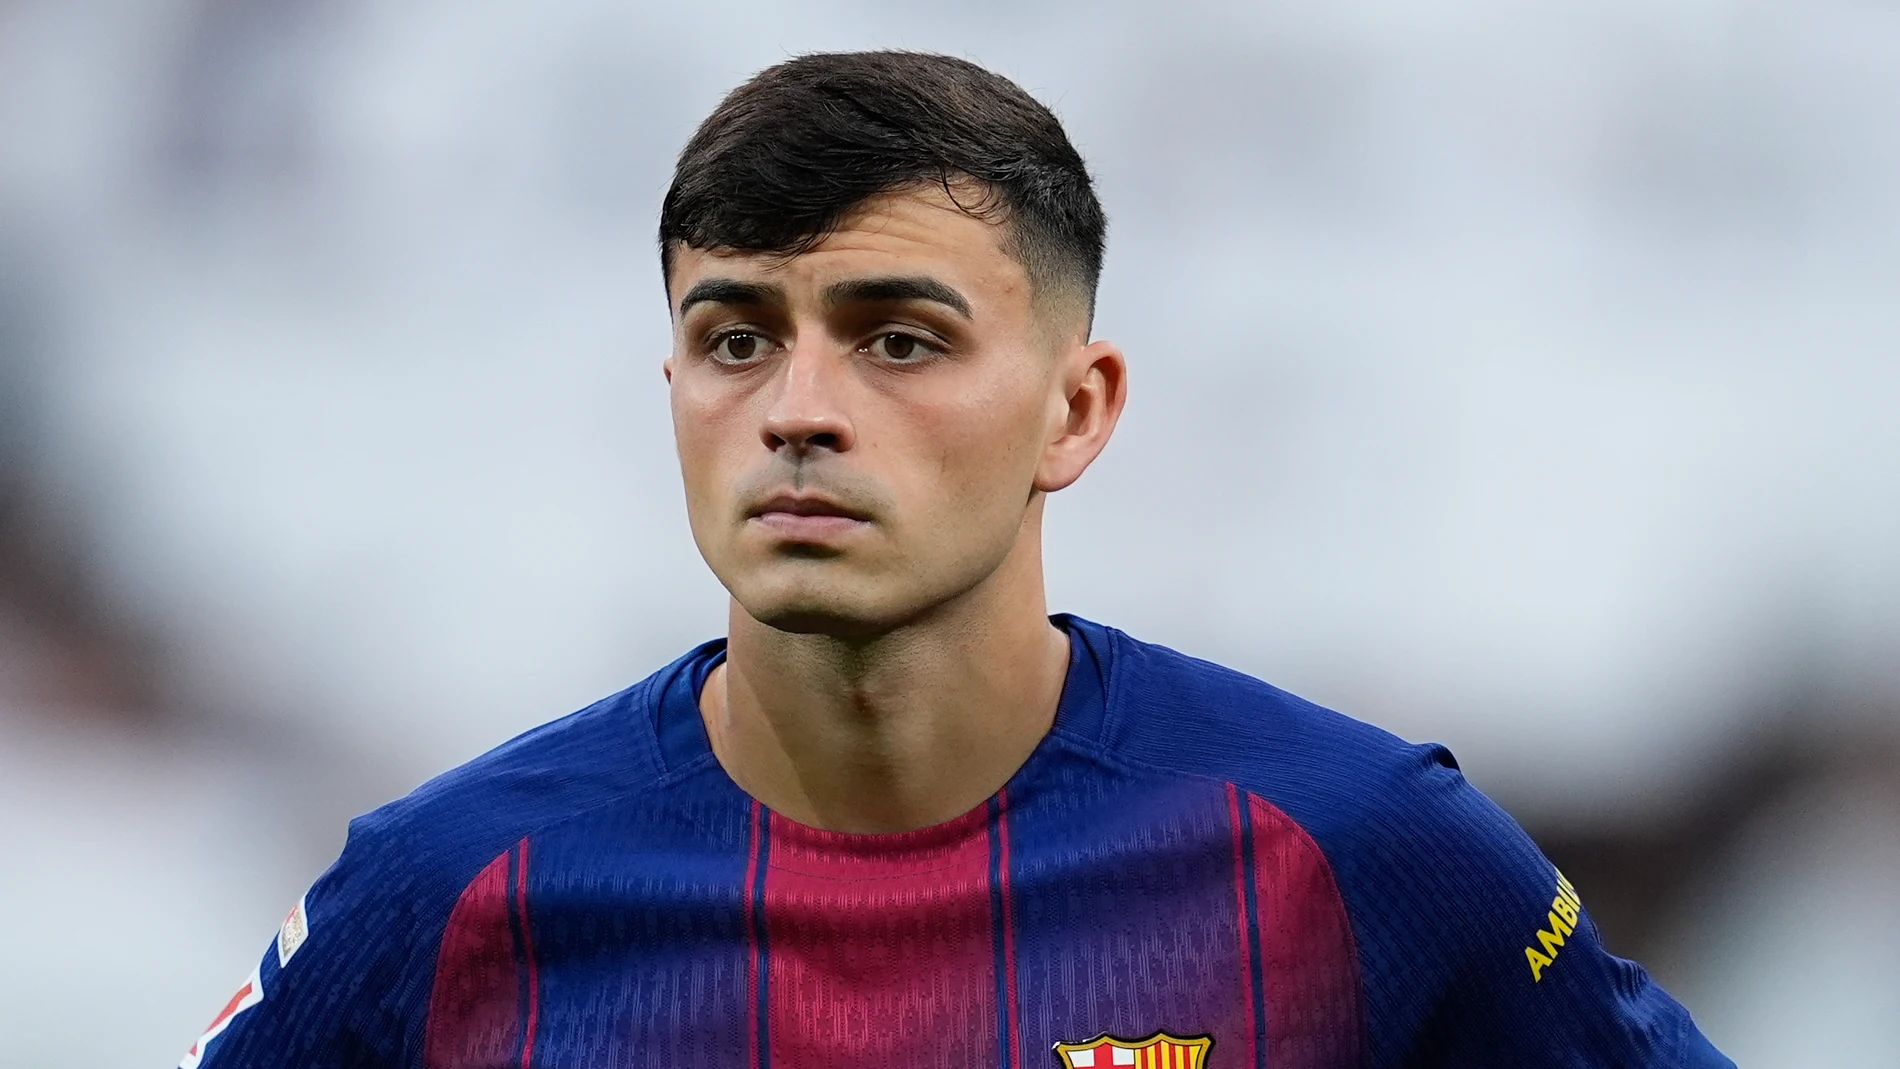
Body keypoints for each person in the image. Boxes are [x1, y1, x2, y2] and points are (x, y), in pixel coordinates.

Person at [180, 51, 1733, 1069]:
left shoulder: (1358, 852)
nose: (798, 412)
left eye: (898, 341)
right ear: (674, 391)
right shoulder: (446, 892)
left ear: (1077, 407)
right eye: (736, 338)